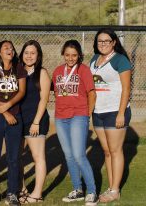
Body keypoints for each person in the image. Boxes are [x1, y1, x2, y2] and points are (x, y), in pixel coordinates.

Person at [52, 40, 98, 206]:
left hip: (78, 115)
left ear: (79, 55)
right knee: (69, 155)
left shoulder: (83, 70)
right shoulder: (57, 71)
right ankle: (78, 189)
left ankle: (92, 191)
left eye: (74, 55)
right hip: (60, 117)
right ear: (63, 55)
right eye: (67, 55)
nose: (70, 58)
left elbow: (92, 94)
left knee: (79, 155)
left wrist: (87, 115)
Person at [89, 29, 132, 203]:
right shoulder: (94, 59)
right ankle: (110, 186)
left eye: (107, 41)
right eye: (100, 41)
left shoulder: (120, 60)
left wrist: (121, 113)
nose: (103, 44)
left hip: (115, 111)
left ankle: (115, 190)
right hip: (98, 111)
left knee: (115, 151)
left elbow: (126, 89)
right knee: (107, 151)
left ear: (114, 42)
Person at [0, 40, 27, 206]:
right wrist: (4, 112)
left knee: (13, 158)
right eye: (6, 48)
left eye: (12, 47)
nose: (10, 50)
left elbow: (21, 91)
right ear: (0, 52)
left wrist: (8, 107)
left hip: (15, 117)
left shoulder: (19, 68)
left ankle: (12, 193)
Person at [18, 40, 50, 204]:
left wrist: (36, 122)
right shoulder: (17, 72)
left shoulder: (42, 73)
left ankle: (37, 193)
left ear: (38, 56)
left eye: (33, 53)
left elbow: (44, 99)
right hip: (18, 120)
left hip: (35, 120)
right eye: (26, 52)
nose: (29, 56)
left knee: (38, 157)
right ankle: (22, 189)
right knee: (17, 157)